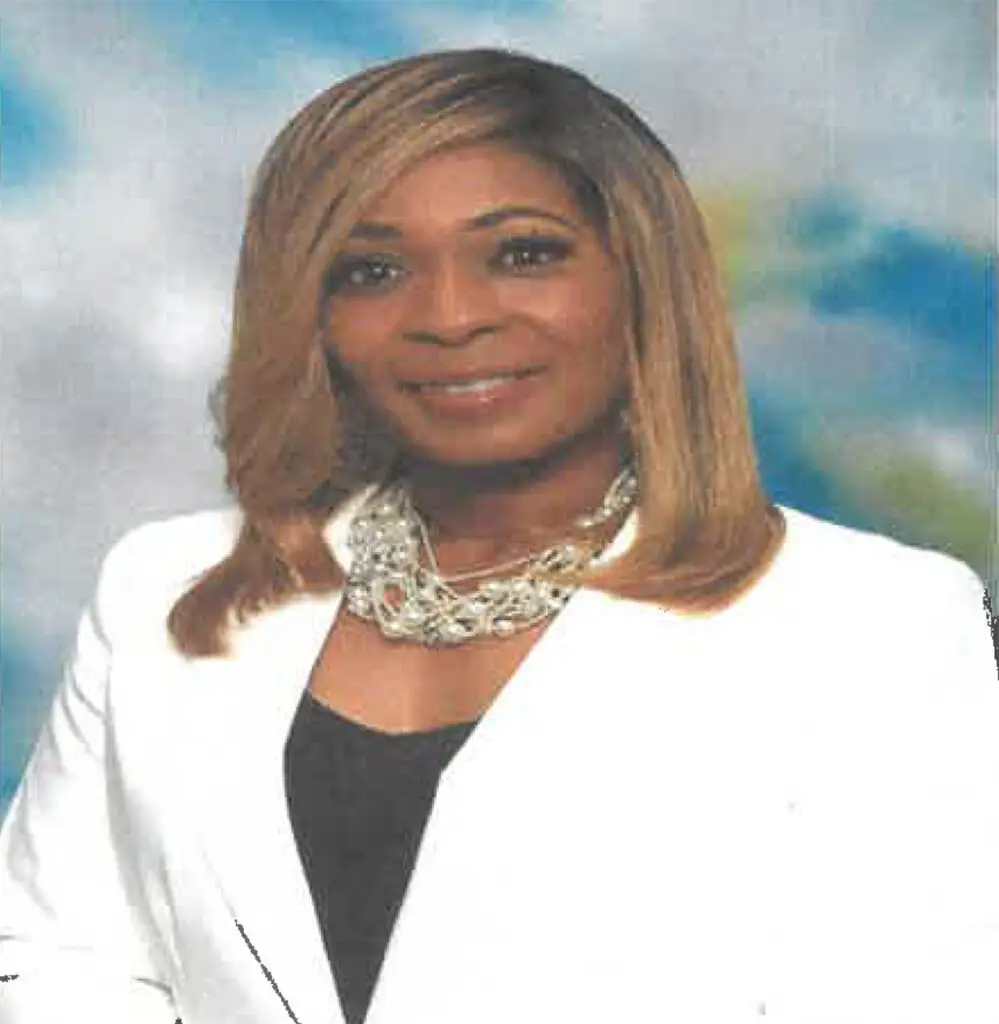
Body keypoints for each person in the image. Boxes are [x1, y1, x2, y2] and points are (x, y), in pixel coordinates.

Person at [0, 47, 996, 1024]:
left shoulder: (876, 623)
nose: (451, 315)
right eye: (372, 269)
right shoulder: (161, 591)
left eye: (523, 252)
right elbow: (55, 959)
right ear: (309, 312)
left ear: (641, 277)